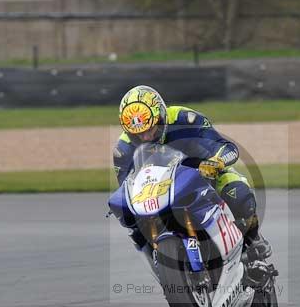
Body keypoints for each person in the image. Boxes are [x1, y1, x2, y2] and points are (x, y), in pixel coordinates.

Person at [113, 85, 271, 260]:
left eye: (150, 129)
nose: (146, 138)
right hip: (160, 192)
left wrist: (217, 161)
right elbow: (127, 187)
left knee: (237, 192)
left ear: (161, 117)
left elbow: (227, 147)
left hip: (205, 174)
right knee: (134, 222)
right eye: (138, 135)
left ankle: (253, 237)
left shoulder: (185, 119)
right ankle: (161, 260)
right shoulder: (123, 148)